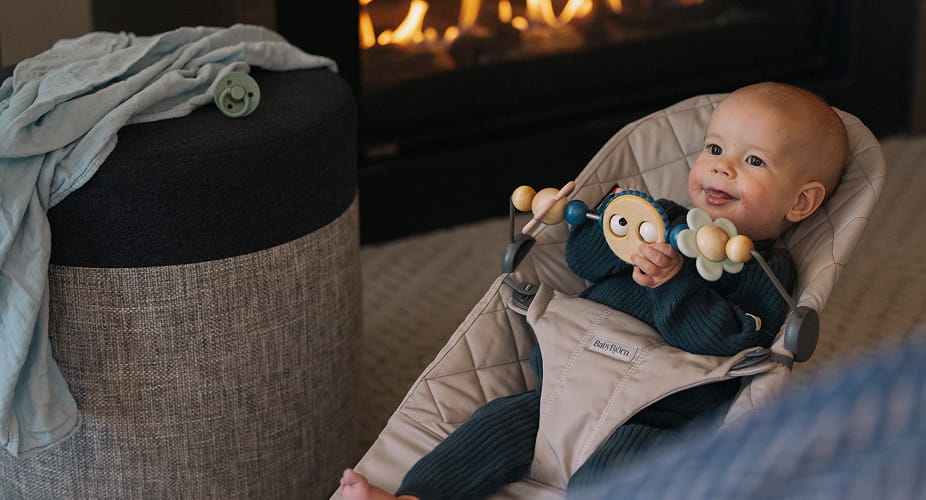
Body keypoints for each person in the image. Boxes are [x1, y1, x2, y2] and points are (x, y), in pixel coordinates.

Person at [339, 81, 850, 500]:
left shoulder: (764, 266)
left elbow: (735, 341)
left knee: (618, 474)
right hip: (563, 389)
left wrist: (674, 286)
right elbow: (581, 263)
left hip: (653, 415)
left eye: (754, 161)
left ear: (801, 203)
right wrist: (612, 232)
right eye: (714, 149)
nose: (722, 166)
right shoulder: (659, 219)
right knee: (494, 426)